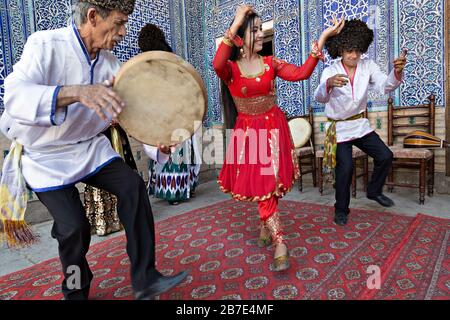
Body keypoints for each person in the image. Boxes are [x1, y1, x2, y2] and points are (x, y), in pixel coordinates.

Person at [0, 0, 188, 300]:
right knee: (74, 229)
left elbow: (133, 113)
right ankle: (75, 289)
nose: (123, 32)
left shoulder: (110, 65)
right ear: (92, 17)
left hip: (88, 149)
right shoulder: (45, 45)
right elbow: (14, 94)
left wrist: (157, 142)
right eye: (118, 23)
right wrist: (76, 92)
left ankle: (145, 277)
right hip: (44, 156)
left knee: (133, 187)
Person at [213, 4, 344, 271]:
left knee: (272, 184)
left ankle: (265, 225)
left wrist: (322, 39)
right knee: (263, 185)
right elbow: (216, 62)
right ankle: (280, 242)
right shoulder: (230, 70)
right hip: (250, 136)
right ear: (240, 36)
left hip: (274, 129)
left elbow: (302, 73)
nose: (261, 35)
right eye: (255, 30)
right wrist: (238, 20)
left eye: (262, 29)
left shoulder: (271, 64)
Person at [314, 19, 407, 226]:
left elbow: (385, 86)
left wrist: (397, 72)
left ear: (362, 48)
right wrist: (328, 84)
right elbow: (319, 97)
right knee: (345, 169)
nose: (354, 55)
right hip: (339, 129)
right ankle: (341, 210)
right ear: (340, 49)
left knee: (385, 156)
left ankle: (373, 191)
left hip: (360, 125)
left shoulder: (368, 66)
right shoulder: (330, 70)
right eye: (349, 50)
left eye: (357, 50)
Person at [138, 23, 201, 205]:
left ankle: (170, 192)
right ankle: (184, 188)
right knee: (179, 150)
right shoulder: (172, 58)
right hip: (179, 111)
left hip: (160, 114)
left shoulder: (145, 64)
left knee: (164, 148)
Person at [83, 123, 137, 236]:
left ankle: (128, 215)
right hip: (98, 135)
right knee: (99, 173)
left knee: (128, 178)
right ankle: (104, 221)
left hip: (116, 131)